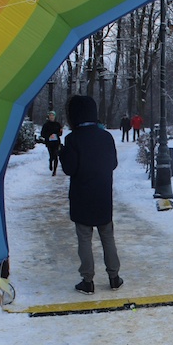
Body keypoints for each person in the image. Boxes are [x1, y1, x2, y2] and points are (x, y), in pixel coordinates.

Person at [59, 95, 125, 294]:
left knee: (84, 239)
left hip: (81, 196)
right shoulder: (106, 137)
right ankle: (114, 277)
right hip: (103, 195)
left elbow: (70, 169)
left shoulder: (73, 139)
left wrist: (62, 153)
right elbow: (113, 164)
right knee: (108, 237)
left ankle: (87, 281)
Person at [40, 111, 63, 176]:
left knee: (55, 156)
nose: (52, 117)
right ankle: (50, 161)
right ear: (48, 116)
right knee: (51, 155)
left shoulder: (57, 124)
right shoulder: (46, 125)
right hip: (49, 143)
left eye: (53, 115)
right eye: (50, 115)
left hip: (56, 142)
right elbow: (42, 134)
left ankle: (54, 171)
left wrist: (59, 132)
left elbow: (60, 133)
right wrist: (49, 135)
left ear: (55, 117)